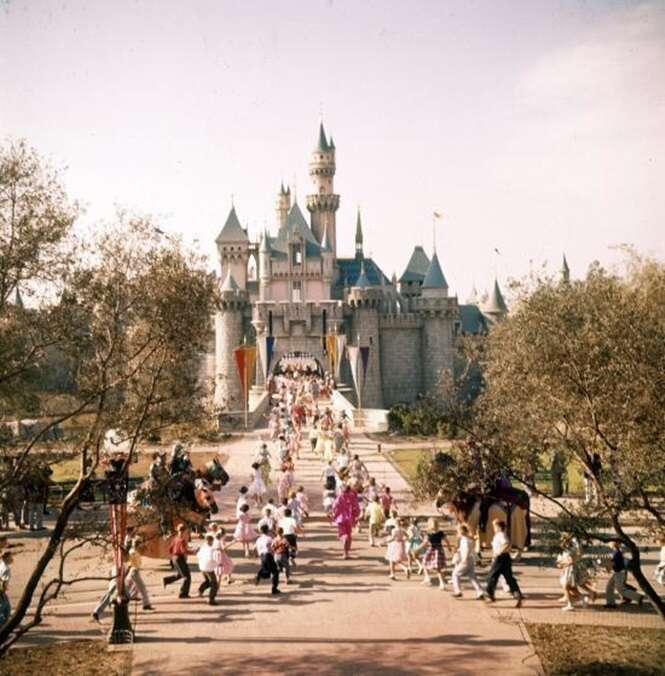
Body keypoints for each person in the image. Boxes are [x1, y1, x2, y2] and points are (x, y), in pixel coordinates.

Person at [485, 519, 524, 607]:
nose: (493, 528)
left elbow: (506, 543)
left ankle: (490, 594)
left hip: (501, 558)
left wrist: (499, 552)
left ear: (498, 527)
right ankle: (517, 594)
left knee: (492, 575)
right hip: (504, 558)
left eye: (494, 526)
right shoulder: (499, 535)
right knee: (508, 577)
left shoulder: (500, 535)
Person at [605, 540, 644, 608]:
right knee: (609, 587)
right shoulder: (616, 552)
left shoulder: (617, 553)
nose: (609, 545)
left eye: (610, 544)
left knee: (620, 589)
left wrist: (608, 565)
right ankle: (610, 603)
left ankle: (638, 597)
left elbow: (615, 564)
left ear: (613, 545)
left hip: (620, 573)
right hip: (618, 572)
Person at [451, 524, 484, 600]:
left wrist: (464, 559)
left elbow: (466, 550)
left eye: (458, 532)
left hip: (466, 560)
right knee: (472, 576)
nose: (457, 533)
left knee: (455, 574)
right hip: (471, 560)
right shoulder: (468, 539)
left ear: (461, 532)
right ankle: (480, 592)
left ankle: (458, 591)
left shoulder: (464, 540)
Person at [163, 524, 194, 598]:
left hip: (174, 558)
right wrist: (193, 552)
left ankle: (167, 580)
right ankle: (183, 593)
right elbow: (183, 551)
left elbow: (170, 549)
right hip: (180, 558)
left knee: (180, 574)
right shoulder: (182, 540)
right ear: (184, 531)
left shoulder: (175, 538)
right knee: (187, 577)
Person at [331, 485, 361, 559]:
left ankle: (344, 543)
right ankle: (346, 553)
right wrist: (356, 516)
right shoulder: (352, 497)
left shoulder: (340, 497)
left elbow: (334, 507)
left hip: (341, 519)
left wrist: (333, 516)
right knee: (349, 535)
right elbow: (356, 507)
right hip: (349, 519)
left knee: (343, 535)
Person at [421, 518, 450, 589]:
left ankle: (428, 577)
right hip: (439, 550)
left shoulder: (428, 534)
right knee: (438, 568)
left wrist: (417, 549)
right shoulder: (441, 533)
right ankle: (441, 583)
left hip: (432, 550)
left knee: (424, 562)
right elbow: (446, 540)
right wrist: (449, 547)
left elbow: (424, 543)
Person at [126, 538, 154, 611]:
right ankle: (146, 604)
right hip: (134, 571)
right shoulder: (133, 552)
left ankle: (128, 597)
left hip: (134, 570)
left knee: (130, 588)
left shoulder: (134, 551)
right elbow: (129, 562)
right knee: (142, 588)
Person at [255, 524, 280, 595]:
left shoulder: (258, 539)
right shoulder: (269, 538)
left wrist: (256, 555)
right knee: (275, 572)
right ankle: (274, 588)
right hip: (268, 555)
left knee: (267, 573)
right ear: (268, 530)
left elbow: (255, 548)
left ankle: (259, 575)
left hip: (262, 556)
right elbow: (274, 546)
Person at [197, 534, 219, 605]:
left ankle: (200, 590)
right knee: (214, 584)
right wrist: (217, 564)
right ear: (210, 541)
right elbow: (211, 559)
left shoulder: (203, 547)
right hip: (208, 568)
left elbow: (198, 555)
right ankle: (211, 599)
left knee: (207, 581)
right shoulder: (211, 549)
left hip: (202, 567)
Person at [0, 551, 13, 627]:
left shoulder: (1, 565)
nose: (12, 559)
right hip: (1, 591)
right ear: (6, 558)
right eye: (10, 557)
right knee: (5, 609)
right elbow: (3, 582)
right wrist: (3, 592)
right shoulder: (6, 569)